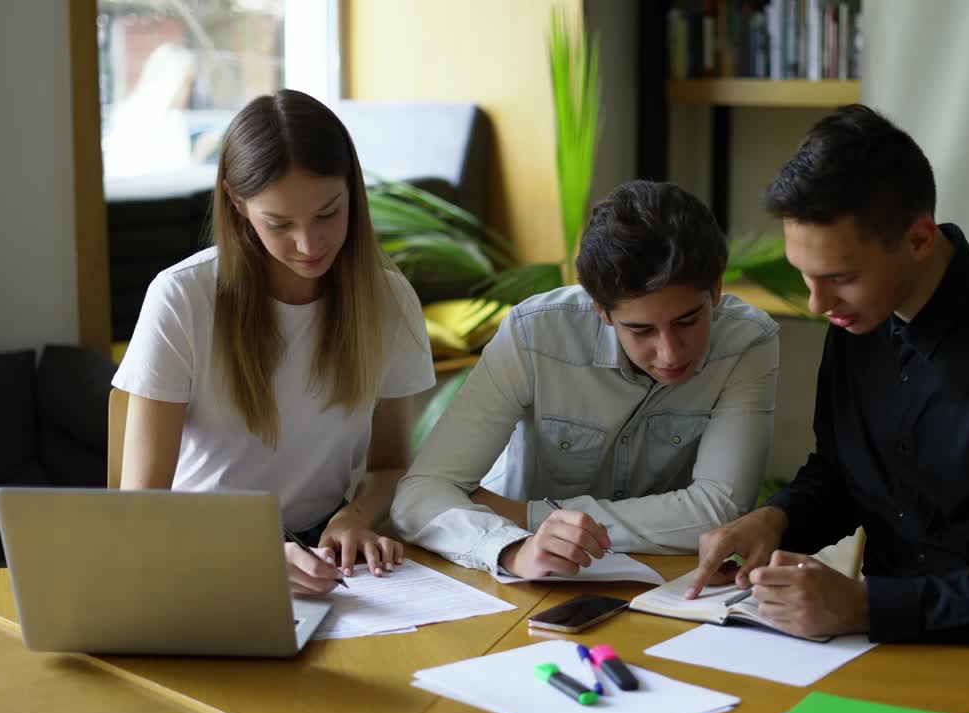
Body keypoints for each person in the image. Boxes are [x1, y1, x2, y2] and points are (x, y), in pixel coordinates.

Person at [686, 104, 969, 656]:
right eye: (804, 276)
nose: (817, 303)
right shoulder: (859, 321)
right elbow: (843, 473)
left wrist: (868, 605)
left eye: (841, 278)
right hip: (884, 649)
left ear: (919, 239)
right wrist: (776, 518)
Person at [112, 89, 435, 596]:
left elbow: (391, 465)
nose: (309, 245)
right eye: (280, 224)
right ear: (238, 205)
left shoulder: (387, 300)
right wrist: (251, 552)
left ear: (352, 189)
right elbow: (141, 504)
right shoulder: (182, 298)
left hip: (328, 558)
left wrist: (353, 520)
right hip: (200, 554)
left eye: (328, 214)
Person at [391, 180, 780, 579]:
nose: (670, 353)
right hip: (523, 577)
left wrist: (528, 515)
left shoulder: (748, 341)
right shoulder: (535, 334)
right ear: (602, 311)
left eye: (687, 321)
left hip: (664, 581)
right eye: (641, 331)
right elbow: (420, 495)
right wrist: (511, 548)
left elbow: (720, 512)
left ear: (715, 291)